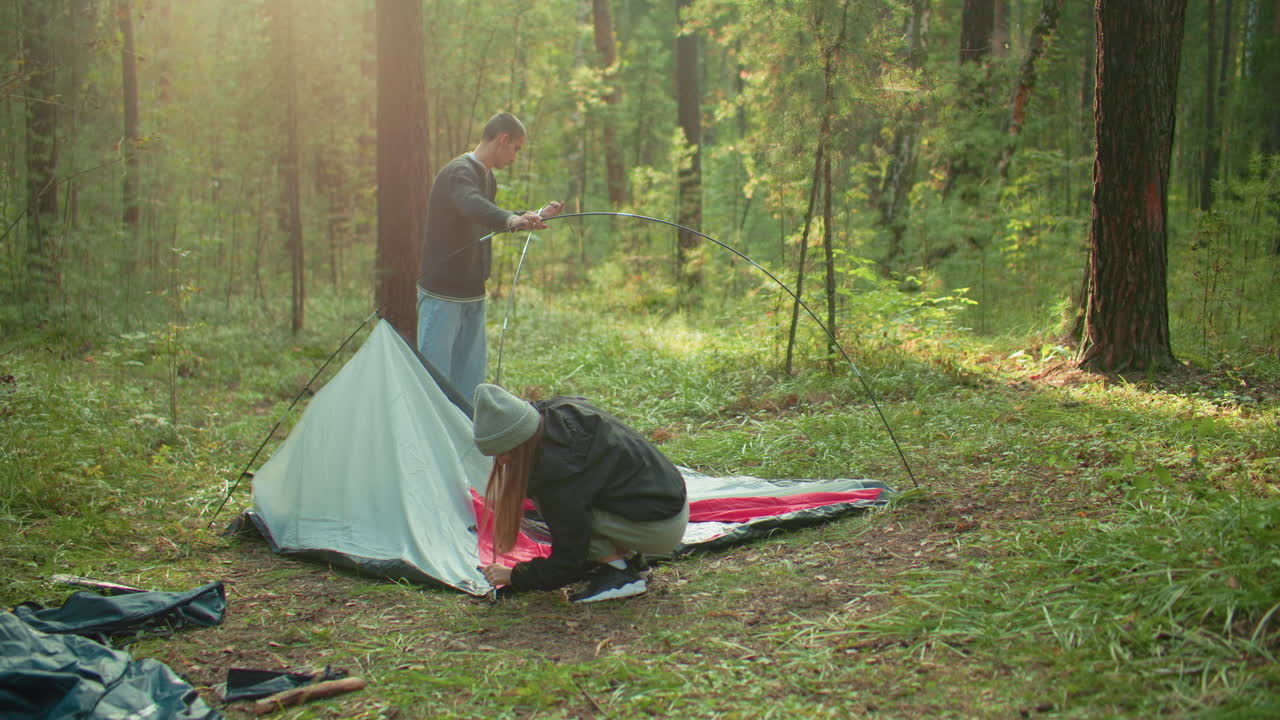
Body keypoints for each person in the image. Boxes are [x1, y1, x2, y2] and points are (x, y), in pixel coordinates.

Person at [472, 383, 689, 603]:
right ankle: (628, 560)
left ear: (518, 443)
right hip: (668, 500)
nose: (501, 461)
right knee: (580, 502)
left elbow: (570, 557)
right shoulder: (556, 413)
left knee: (569, 512)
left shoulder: (556, 471)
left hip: (661, 527)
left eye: (504, 454)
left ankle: (617, 574)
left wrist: (514, 575)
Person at [417, 112, 564, 402]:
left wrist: (528, 216)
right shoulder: (459, 172)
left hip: (473, 294)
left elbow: (486, 214)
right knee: (433, 384)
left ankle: (465, 441)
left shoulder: (487, 177)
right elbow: (470, 204)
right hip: (442, 297)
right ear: (503, 139)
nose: (515, 156)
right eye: (516, 149)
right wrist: (509, 221)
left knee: (469, 383)